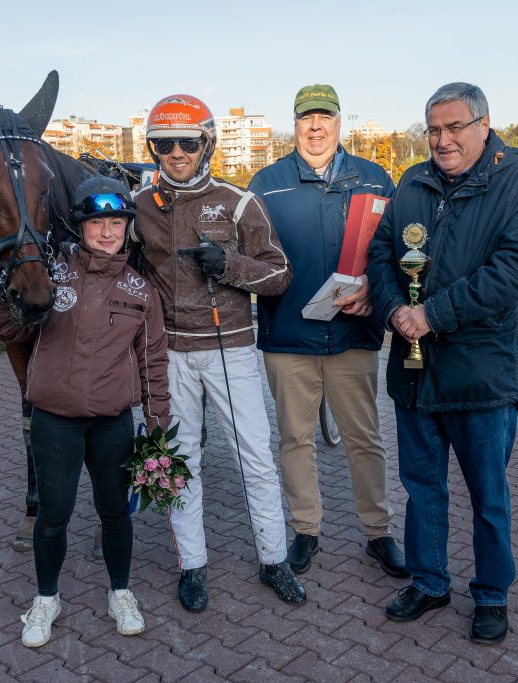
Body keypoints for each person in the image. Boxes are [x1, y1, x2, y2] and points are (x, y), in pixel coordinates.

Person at [366, 82, 518, 644]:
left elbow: (512, 273)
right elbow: (380, 253)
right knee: (422, 487)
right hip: (415, 373)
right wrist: (396, 309)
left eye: (454, 128)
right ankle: (429, 581)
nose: (442, 140)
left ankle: (492, 594)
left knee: (487, 494)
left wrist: (434, 315)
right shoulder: (413, 182)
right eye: (434, 130)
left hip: (480, 374)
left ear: (484, 125)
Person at [128, 93, 305, 612]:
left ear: (206, 143)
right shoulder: (139, 206)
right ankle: (193, 566)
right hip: (171, 355)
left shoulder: (239, 202)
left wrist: (225, 262)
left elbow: (279, 275)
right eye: (164, 144)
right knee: (180, 462)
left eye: (187, 142)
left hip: (230, 350)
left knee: (255, 457)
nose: (176, 153)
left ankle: (274, 560)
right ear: (152, 148)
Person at [0, 176, 171, 648]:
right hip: (54, 422)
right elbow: (8, 328)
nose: (107, 232)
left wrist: (156, 428)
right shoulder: (49, 270)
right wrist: (3, 284)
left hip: (113, 423)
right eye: (97, 222)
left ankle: (121, 593)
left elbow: (154, 363)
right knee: (53, 515)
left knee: (115, 515)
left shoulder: (140, 289)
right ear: (80, 226)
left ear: (128, 227)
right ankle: (47, 599)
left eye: (117, 222)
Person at [248, 84, 406, 578]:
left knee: (365, 438)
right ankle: (305, 529)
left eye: (325, 117)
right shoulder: (266, 184)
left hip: (353, 337)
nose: (315, 127)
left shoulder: (375, 179)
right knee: (295, 439)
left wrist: (375, 289)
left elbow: (401, 253)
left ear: (340, 122)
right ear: (294, 124)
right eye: (306, 118)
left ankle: (379, 534)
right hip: (289, 338)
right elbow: (250, 260)